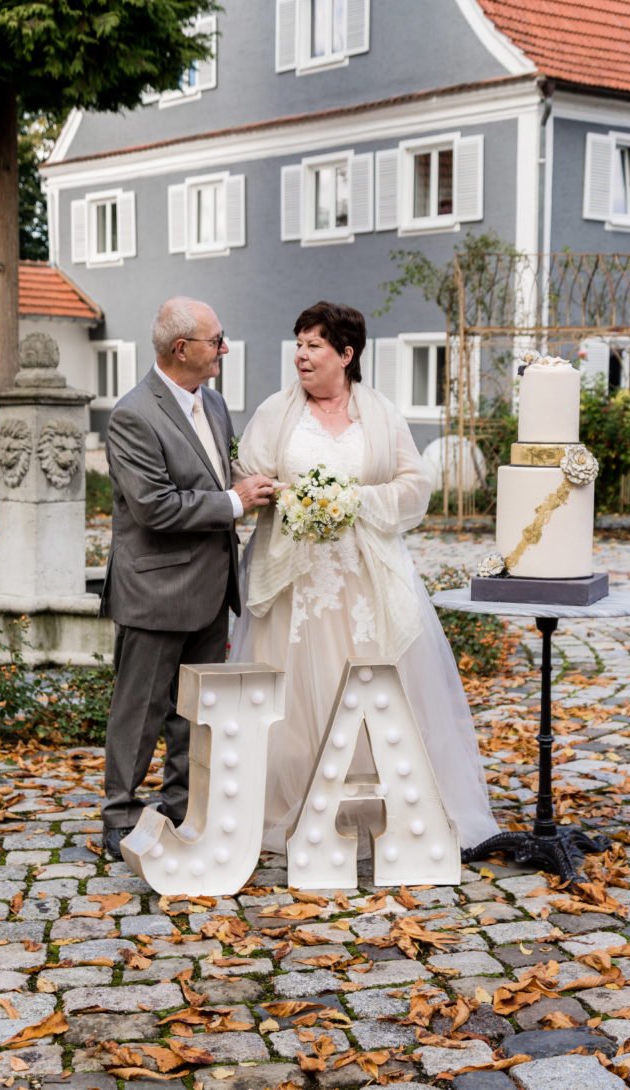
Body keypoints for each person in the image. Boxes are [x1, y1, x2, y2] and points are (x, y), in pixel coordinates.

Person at [230, 300, 498, 855]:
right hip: (295, 587)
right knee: (295, 703)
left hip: (365, 581)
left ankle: (380, 808)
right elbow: (248, 475)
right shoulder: (276, 413)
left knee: (376, 690)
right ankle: (295, 807)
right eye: (298, 344)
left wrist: (352, 500)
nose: (301, 356)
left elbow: (414, 484)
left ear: (346, 355)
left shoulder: (379, 413)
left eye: (314, 346)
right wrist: (287, 497)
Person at [99, 297, 276, 859]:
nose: (224, 349)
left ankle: (181, 809)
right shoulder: (133, 415)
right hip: (154, 590)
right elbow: (154, 506)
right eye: (216, 340)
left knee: (195, 712)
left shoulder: (215, 403)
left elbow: (223, 473)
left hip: (210, 589)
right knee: (140, 712)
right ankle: (119, 819)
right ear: (182, 349)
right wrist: (233, 501)